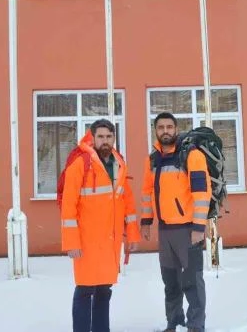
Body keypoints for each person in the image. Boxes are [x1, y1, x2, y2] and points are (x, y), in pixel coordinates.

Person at [61, 119, 140, 332]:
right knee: (85, 289)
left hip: (110, 242)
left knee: (104, 289)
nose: (105, 141)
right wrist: (71, 242)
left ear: (114, 138)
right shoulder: (80, 164)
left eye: (109, 137)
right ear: (92, 137)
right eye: (101, 137)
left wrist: (132, 235)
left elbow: (128, 204)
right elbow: (68, 207)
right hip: (86, 241)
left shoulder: (119, 163)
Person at [141, 112, 211, 332]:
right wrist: (146, 220)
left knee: (192, 281)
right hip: (165, 232)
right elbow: (147, 192)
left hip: (188, 229)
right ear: (155, 130)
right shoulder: (153, 159)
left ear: (176, 129)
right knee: (170, 282)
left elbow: (202, 194)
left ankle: (196, 325)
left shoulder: (192, 156)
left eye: (169, 127)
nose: (165, 131)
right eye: (160, 127)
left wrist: (199, 228)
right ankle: (174, 320)